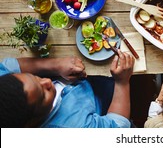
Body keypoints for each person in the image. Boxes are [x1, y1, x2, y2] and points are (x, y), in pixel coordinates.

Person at [0, 51, 135, 128]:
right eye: (44, 94)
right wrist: (122, 82)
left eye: (35, 77)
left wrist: (55, 65)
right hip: (106, 96)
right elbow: (118, 124)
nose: (47, 81)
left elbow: (9, 66)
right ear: (30, 124)